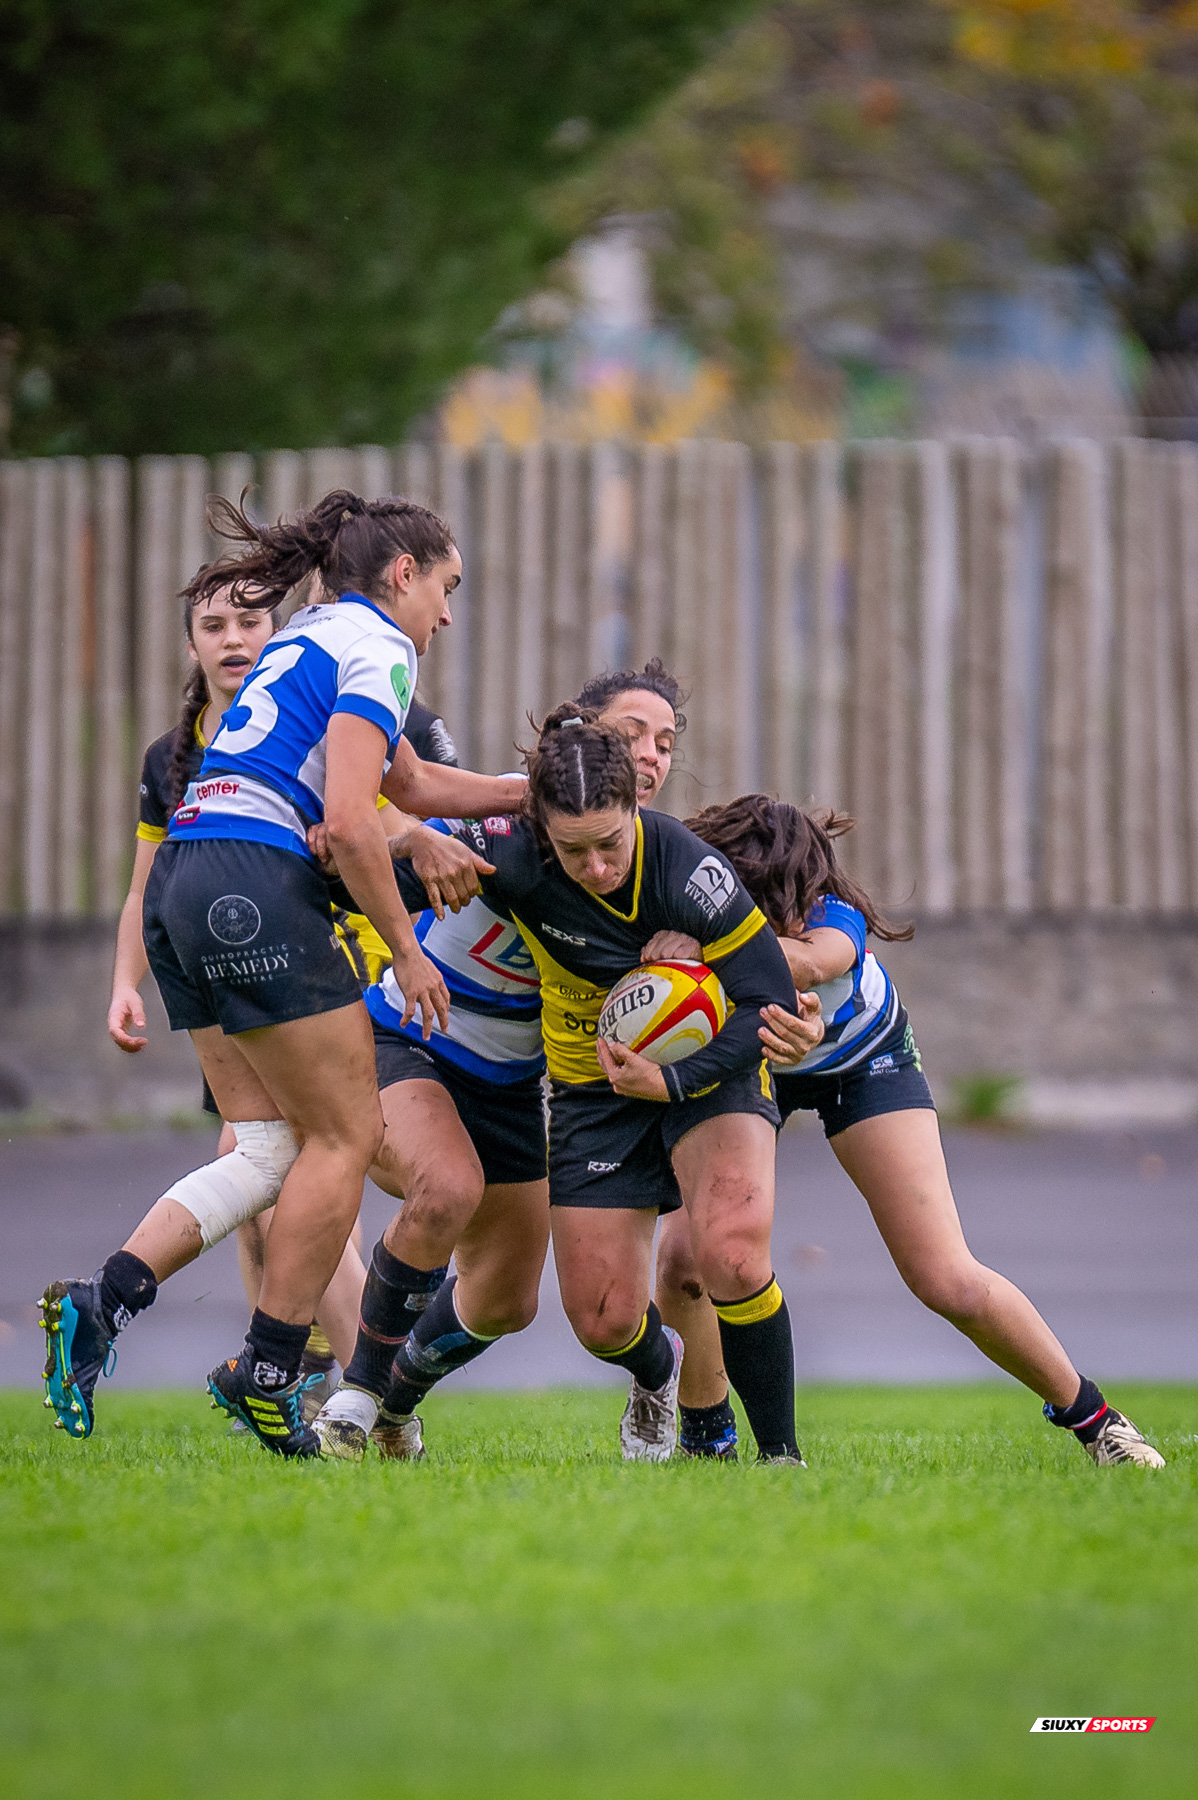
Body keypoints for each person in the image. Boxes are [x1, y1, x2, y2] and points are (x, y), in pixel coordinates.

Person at [40, 489, 524, 1458]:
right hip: (257, 882)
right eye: (447, 586)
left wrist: (531, 790)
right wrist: (408, 945)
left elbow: (407, 785)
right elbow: (350, 822)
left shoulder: (311, 633)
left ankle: (103, 1304)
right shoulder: (384, 648)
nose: (448, 613)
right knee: (347, 1136)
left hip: (187, 876)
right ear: (403, 574)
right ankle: (269, 1374)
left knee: (264, 1148)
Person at [324, 705, 804, 1465]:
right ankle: (658, 1374)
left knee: (732, 1255)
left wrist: (673, 1077)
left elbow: (767, 998)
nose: (599, 869)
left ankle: (781, 1460)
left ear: (635, 811)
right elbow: (352, 881)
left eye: (611, 845)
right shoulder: (511, 851)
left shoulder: (686, 870)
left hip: (703, 1073)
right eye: (575, 852)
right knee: (604, 1317)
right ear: (541, 824)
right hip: (591, 1091)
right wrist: (404, 842)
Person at [654, 795, 1166, 1470]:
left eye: (775, 900)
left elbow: (808, 963)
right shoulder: (685, 903)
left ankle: (1097, 1421)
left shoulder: (835, 916)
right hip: (749, 1066)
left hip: (862, 1059)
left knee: (945, 1277)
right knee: (684, 1258)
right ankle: (706, 1439)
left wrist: (708, 940)